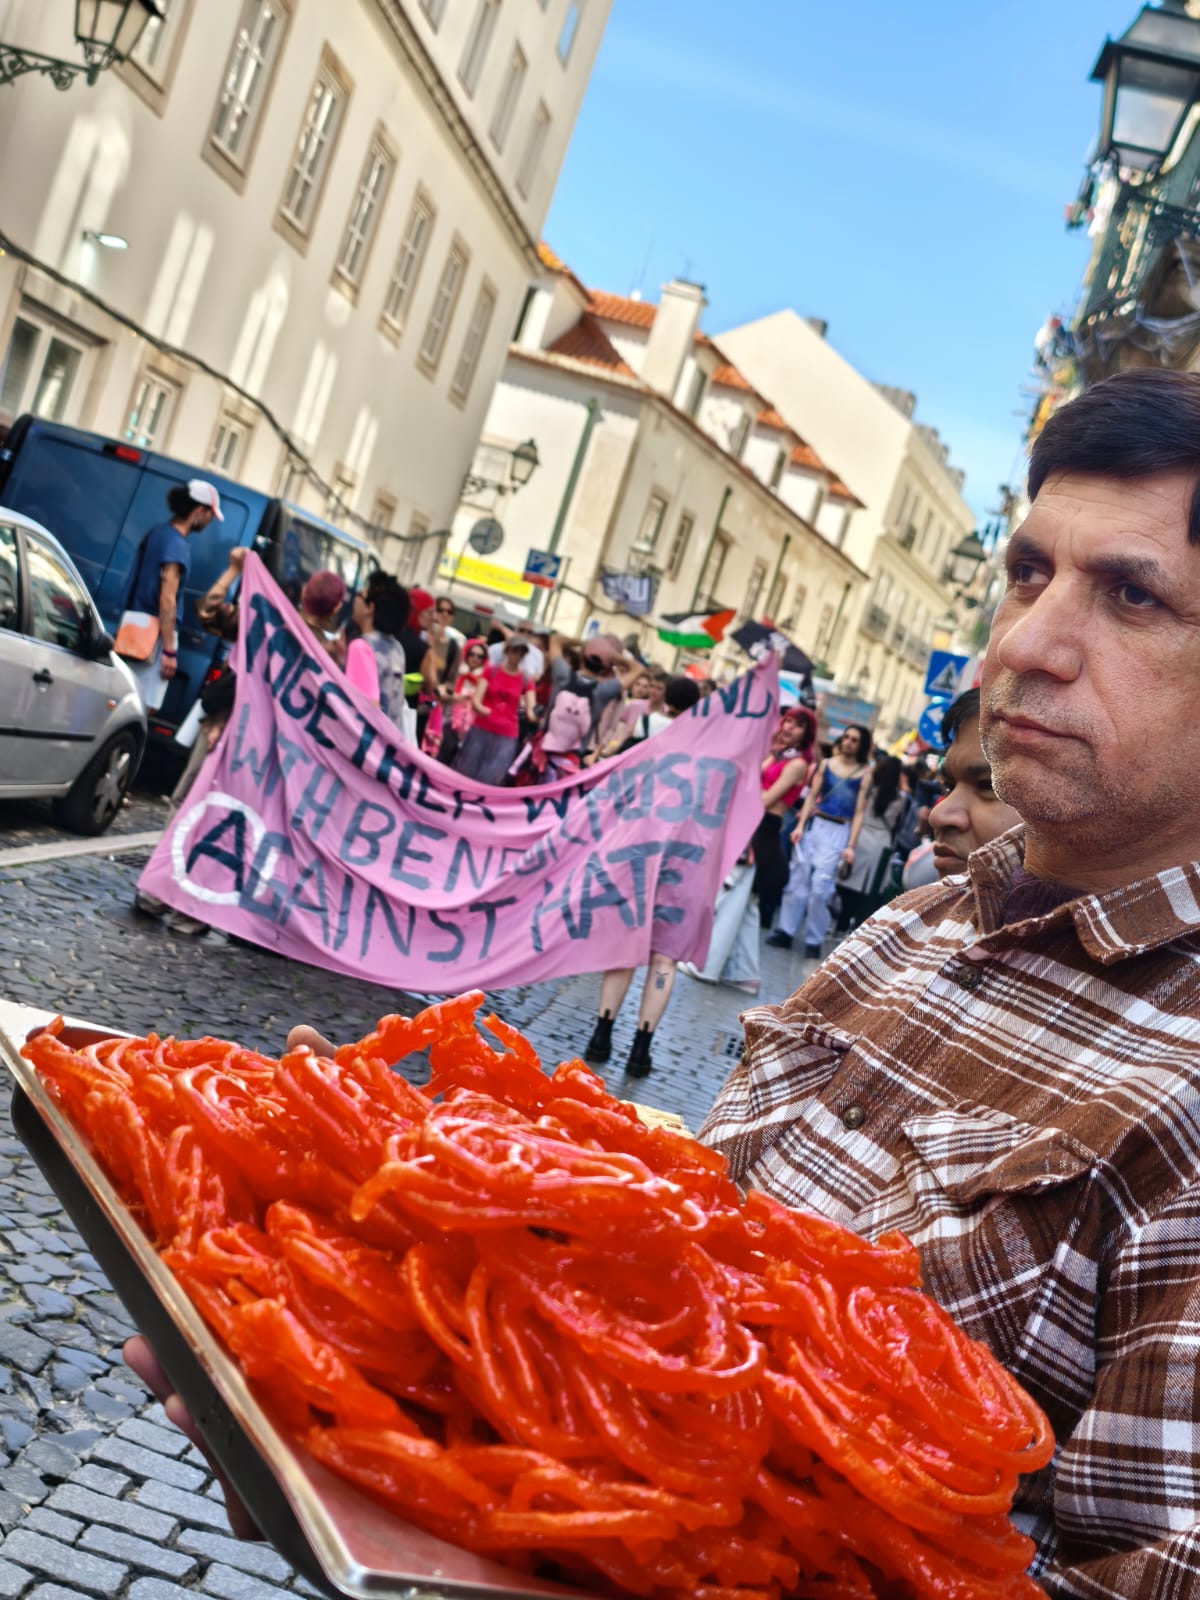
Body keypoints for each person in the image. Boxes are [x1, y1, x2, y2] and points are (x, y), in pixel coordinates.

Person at [138, 368, 1200, 1589]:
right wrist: (355, 1424)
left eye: (1130, 594)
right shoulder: (903, 936)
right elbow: (664, 1306)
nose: (1025, 644)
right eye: (1027, 574)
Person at [582, 675, 702, 1078]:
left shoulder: (651, 733)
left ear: (665, 699)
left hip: (639, 850)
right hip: (686, 858)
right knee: (664, 958)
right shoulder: (709, 750)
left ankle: (601, 1034)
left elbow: (617, 785)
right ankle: (641, 1048)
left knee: (625, 944)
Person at [766, 724, 872, 956]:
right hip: (816, 826)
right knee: (798, 879)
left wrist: (851, 845)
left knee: (821, 888)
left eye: (854, 740)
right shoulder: (826, 765)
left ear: (861, 745)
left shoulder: (864, 772)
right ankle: (786, 930)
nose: (848, 743)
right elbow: (813, 795)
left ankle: (813, 938)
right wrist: (801, 826)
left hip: (839, 830)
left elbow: (859, 812)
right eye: (846, 737)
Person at [119, 480, 223, 708]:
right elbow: (167, 599)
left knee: (123, 698)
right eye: (210, 515)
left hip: (133, 626)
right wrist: (169, 651)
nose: (209, 522)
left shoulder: (157, 533)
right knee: (144, 708)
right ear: (198, 511)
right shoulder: (177, 545)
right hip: (154, 636)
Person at [753, 719, 817, 930]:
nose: (788, 726)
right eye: (787, 720)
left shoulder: (798, 764)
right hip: (754, 823)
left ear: (806, 735)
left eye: (798, 724)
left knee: (745, 897)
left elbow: (764, 799)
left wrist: (750, 789)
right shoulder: (776, 754)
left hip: (766, 827)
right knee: (748, 908)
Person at [836, 754, 912, 928]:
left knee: (850, 882)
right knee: (871, 888)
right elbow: (898, 824)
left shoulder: (870, 790)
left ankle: (841, 923)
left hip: (862, 837)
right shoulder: (900, 799)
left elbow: (859, 812)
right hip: (882, 843)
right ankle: (858, 925)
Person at [454, 637, 536, 784]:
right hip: (483, 726)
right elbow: (477, 699)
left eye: (521, 653)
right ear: (507, 651)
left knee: (492, 775)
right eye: (514, 651)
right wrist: (481, 708)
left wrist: (535, 715)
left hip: (507, 732)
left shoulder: (525, 679)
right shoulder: (491, 671)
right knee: (466, 769)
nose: (517, 656)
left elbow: (532, 707)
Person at [346, 580, 410, 731]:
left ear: (370, 608)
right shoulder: (396, 647)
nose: (355, 599)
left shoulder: (361, 647)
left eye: (360, 595)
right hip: (389, 742)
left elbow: (366, 706)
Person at [298, 570, 348, 668]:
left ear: (303, 591)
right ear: (336, 608)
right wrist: (340, 660)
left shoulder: (277, 622)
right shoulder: (329, 655)